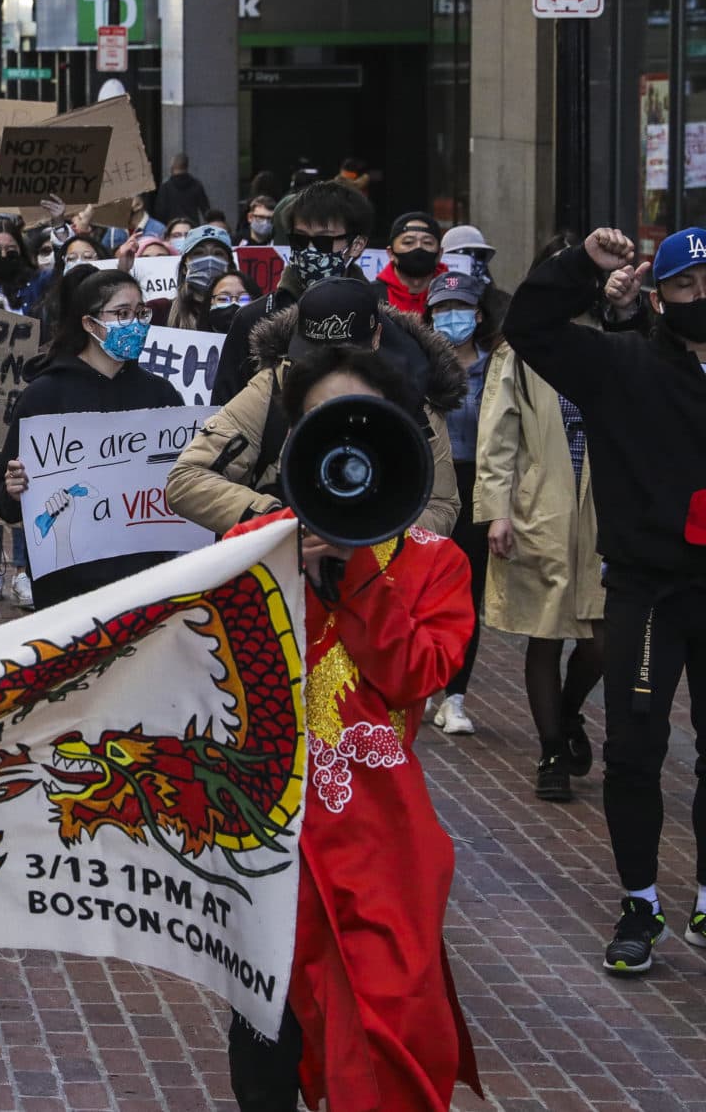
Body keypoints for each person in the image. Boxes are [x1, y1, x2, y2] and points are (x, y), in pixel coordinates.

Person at [222, 345, 479, 1112]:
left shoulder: (435, 564)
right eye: (318, 423)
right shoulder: (248, 552)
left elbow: (414, 676)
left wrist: (359, 568)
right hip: (270, 838)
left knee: (386, 1033)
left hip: (380, 840)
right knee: (265, 1047)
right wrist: (277, 566)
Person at [503, 225, 706, 972]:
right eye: (685, 285)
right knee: (635, 752)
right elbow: (528, 327)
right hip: (648, 591)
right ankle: (641, 901)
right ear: (660, 295)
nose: (701, 297)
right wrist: (582, 267)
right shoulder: (621, 367)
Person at [167, 277, 463, 539]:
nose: (329, 371)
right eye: (315, 356)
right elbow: (187, 479)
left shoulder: (416, 401)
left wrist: (377, 529)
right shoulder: (274, 385)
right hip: (287, 565)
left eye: (345, 357)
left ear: (375, 339)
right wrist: (279, 522)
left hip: (382, 577)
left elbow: (441, 506)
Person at [476, 250, 607, 801]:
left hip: (603, 513)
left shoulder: (613, 345)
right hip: (540, 508)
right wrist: (497, 511)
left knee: (603, 638)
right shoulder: (519, 353)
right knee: (545, 632)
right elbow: (498, 437)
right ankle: (552, 747)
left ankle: (570, 711)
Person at [0, 265, 186, 607]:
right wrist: (14, 487)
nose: (136, 323)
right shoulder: (44, 395)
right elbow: (4, 502)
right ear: (90, 323)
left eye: (141, 313)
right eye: (122, 314)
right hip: (67, 589)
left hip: (145, 582)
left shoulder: (161, 395)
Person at [421, 270, 500, 740]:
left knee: (466, 595)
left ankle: (454, 697)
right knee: (420, 590)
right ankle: (423, 681)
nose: (452, 318)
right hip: (429, 486)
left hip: (480, 486)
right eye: (442, 309)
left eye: (461, 308)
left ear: (479, 313)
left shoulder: (499, 368)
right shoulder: (418, 370)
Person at [213, 181, 374, 406]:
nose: (309, 250)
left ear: (357, 245)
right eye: (299, 239)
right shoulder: (254, 320)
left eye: (322, 241)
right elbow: (223, 413)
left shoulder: (379, 318)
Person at [166, 224, 235, 331]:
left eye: (218, 253)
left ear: (229, 266)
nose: (209, 260)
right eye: (199, 253)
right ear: (184, 267)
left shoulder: (240, 314)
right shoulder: (160, 310)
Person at [375, 212, 446, 314]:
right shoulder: (371, 297)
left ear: (440, 254)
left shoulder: (454, 295)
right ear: (390, 253)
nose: (418, 247)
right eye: (408, 242)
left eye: (427, 242)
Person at [155, 152, 210, 224]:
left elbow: (160, 212)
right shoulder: (196, 184)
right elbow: (206, 210)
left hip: (172, 228)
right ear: (186, 166)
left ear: (173, 166)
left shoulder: (166, 187)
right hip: (192, 226)